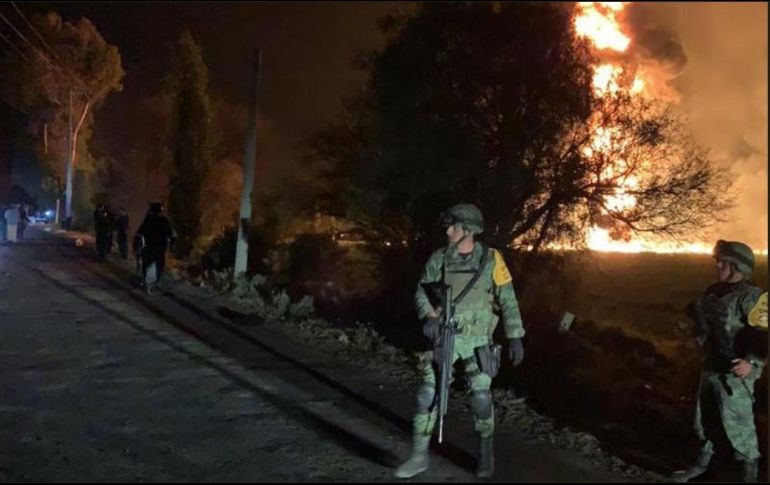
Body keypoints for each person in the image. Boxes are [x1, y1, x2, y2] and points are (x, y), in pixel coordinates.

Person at [394, 203, 525, 479]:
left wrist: (515, 337)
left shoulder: (492, 259)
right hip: (444, 337)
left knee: (480, 398)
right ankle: (418, 455)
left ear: (468, 230)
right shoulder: (439, 258)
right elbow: (422, 289)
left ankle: (485, 451)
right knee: (427, 394)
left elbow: (508, 299)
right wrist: (429, 317)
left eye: (454, 226)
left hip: (478, 341)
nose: (448, 230)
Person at [671, 240, 766, 483]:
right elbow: (697, 312)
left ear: (737, 267)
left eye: (723, 262)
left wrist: (752, 363)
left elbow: (764, 336)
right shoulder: (713, 292)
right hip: (712, 367)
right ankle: (702, 467)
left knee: (740, 429)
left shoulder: (753, 298)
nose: (718, 265)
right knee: (704, 422)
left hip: (737, 374)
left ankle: (749, 476)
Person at [135, 202, 174, 294]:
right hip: (159, 247)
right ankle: (154, 282)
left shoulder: (148, 220)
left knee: (147, 264)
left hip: (149, 246)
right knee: (158, 265)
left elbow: (140, 232)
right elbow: (170, 233)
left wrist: (137, 245)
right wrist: (171, 244)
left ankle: (147, 281)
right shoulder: (163, 221)